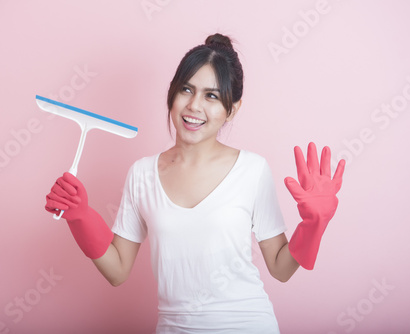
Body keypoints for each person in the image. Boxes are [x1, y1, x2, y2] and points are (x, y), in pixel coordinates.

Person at [45, 33, 345, 334]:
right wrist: (80, 217)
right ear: (172, 94)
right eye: (186, 90)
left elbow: (281, 269)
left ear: (233, 108)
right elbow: (118, 270)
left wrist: (313, 225)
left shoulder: (252, 170)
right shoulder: (142, 174)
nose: (194, 106)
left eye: (211, 96)